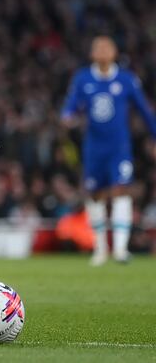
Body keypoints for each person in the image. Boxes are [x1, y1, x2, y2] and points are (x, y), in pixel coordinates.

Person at [61, 35, 156, 265]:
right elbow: (70, 106)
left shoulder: (126, 79)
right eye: (98, 48)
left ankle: (121, 250)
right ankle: (101, 248)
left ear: (114, 52)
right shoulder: (83, 79)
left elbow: (144, 110)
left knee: (121, 190)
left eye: (107, 47)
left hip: (119, 147)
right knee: (96, 195)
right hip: (93, 147)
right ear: (92, 54)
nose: (103, 51)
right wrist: (68, 117)